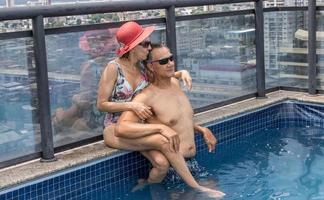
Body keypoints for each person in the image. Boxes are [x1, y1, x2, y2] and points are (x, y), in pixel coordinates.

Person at [107, 43, 225, 198]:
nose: (170, 63)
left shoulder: (176, 84)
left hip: (191, 165)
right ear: (151, 67)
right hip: (171, 172)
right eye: (163, 61)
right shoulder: (146, 97)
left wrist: (201, 129)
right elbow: (122, 127)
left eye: (171, 58)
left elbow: (177, 121)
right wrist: (160, 129)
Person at [52, 28, 117, 132]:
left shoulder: (89, 67)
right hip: (113, 114)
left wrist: (74, 98)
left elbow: (85, 101)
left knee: (59, 118)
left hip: (99, 120)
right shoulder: (116, 62)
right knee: (63, 116)